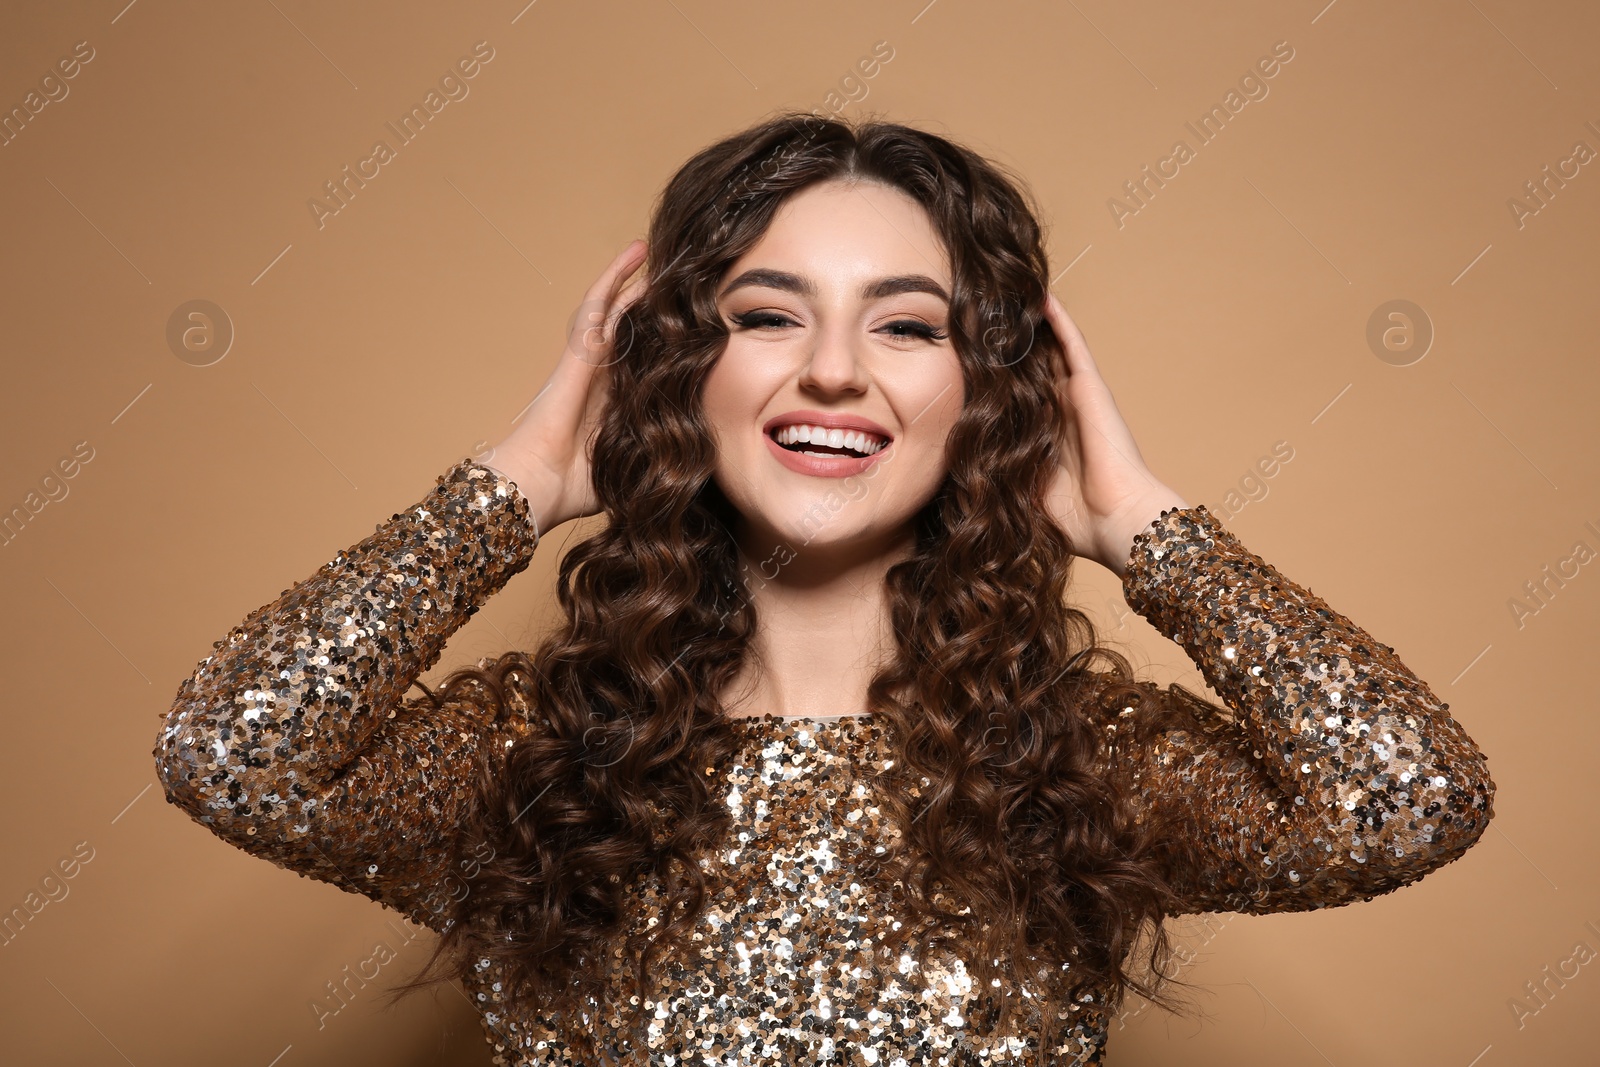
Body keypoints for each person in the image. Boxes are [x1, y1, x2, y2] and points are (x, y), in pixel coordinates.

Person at [153, 113, 1496, 1065]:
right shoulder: (541, 769)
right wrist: (518, 481)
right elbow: (234, 752)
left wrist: (1141, 526)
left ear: (983, 394)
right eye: (767, 313)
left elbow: (1406, 799)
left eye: (909, 325)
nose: (837, 372)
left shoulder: (1073, 768)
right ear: (677, 366)